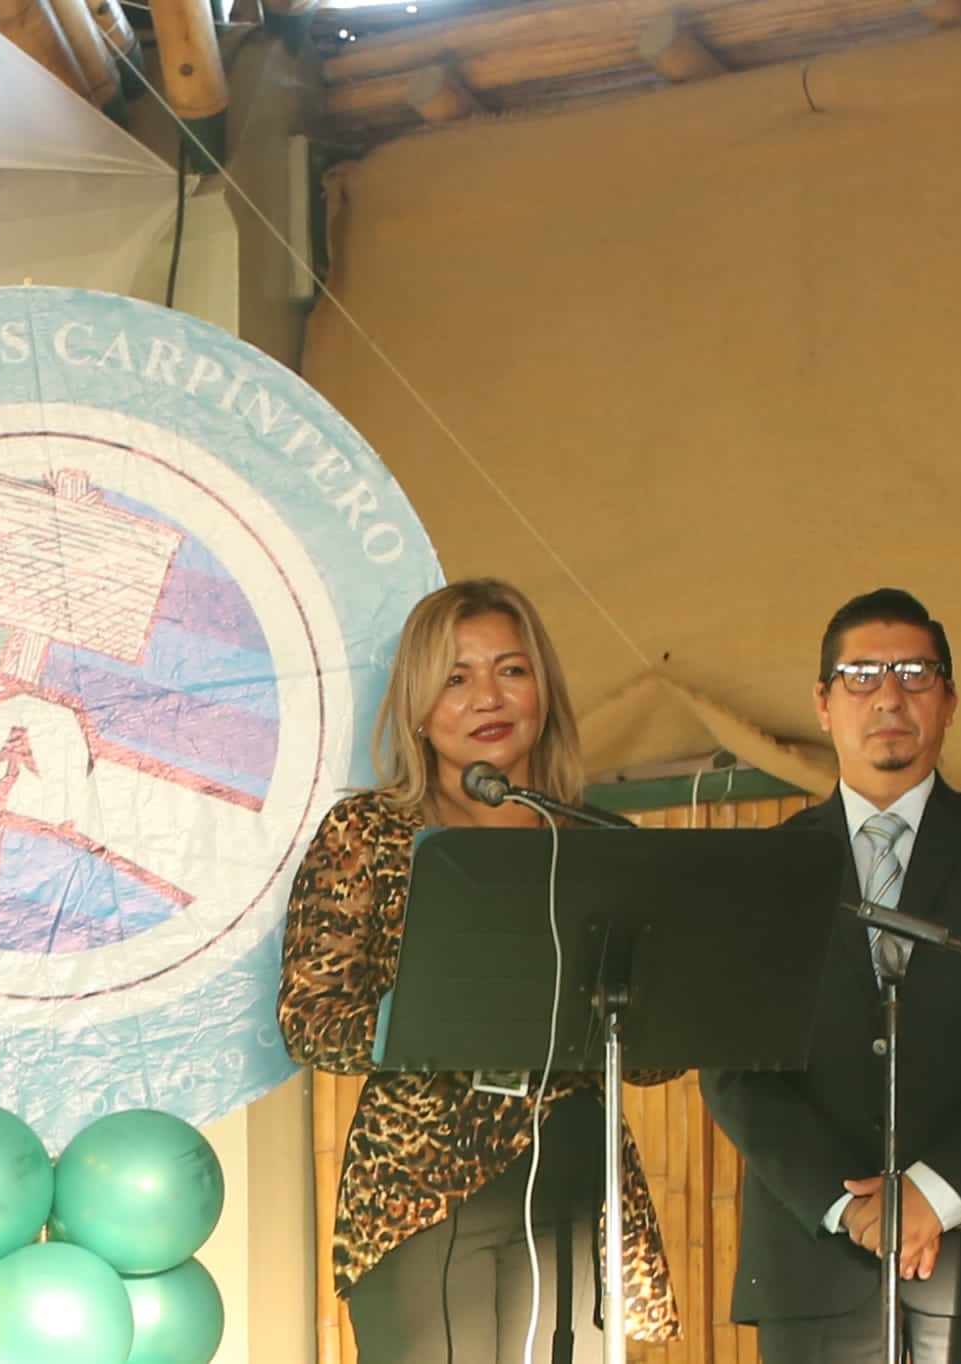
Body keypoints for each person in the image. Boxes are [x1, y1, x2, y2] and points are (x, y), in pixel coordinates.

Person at [278, 578, 680, 1364]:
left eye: (511, 670)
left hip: (574, 1187)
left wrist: (661, 1006)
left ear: (543, 691)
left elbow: (654, 1058)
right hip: (425, 1195)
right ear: (419, 710)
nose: (488, 698)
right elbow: (311, 1021)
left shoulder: (599, 840)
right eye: (456, 678)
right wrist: (437, 1016)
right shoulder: (371, 833)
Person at [701, 587, 961, 1364]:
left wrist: (934, 1194)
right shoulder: (764, 869)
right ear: (823, 702)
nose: (889, 695)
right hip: (815, 1265)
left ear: (949, 700)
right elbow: (734, 1070)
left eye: (915, 674)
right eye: (862, 676)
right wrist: (849, 1208)